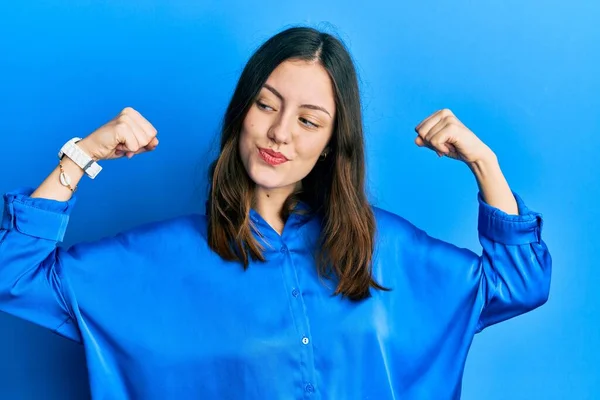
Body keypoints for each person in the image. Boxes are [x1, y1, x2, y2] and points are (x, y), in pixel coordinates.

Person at [0, 26, 551, 400]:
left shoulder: (387, 249)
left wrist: (485, 163)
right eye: (266, 104)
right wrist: (84, 153)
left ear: (334, 142)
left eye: (309, 120)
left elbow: (519, 282)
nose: (279, 132)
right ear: (243, 112)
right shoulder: (155, 259)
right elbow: (13, 273)